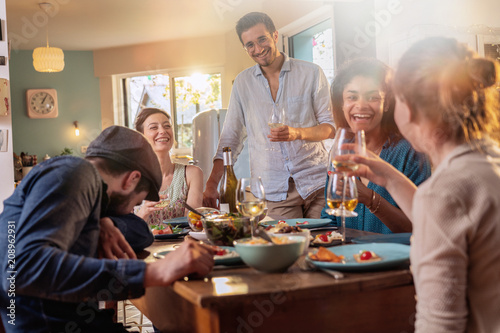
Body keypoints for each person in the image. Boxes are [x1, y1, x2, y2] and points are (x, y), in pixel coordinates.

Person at [344, 37, 500, 332]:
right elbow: (448, 222)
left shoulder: (444, 193)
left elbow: (440, 324)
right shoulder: (488, 163)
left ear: (409, 109)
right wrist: (389, 177)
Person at [0, 126, 214, 332]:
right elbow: (22, 270)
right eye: (135, 203)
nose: (132, 210)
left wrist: (103, 220)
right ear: (131, 180)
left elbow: (141, 233)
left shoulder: (81, 185)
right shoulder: (75, 173)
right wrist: (154, 271)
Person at [203, 12, 335, 218]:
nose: (258, 49)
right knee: (285, 248)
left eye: (262, 39)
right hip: (273, 191)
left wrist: (296, 133)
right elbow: (231, 137)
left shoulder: (311, 73)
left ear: (275, 36)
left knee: (325, 243)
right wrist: (212, 184)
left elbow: (330, 127)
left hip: (317, 183)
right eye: (250, 45)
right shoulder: (242, 83)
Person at [320, 58, 431, 233]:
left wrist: (371, 199)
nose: (361, 105)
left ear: (386, 103)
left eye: (372, 97)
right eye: (352, 97)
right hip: (349, 257)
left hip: (396, 259)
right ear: (342, 104)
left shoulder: (410, 152)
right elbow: (330, 217)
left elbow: (423, 228)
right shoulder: (341, 151)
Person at [134, 108, 204, 225]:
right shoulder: (130, 178)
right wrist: (144, 212)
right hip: (143, 244)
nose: (162, 131)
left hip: (181, 243)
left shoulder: (192, 174)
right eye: (153, 127)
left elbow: (192, 223)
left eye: (167, 126)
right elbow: (125, 231)